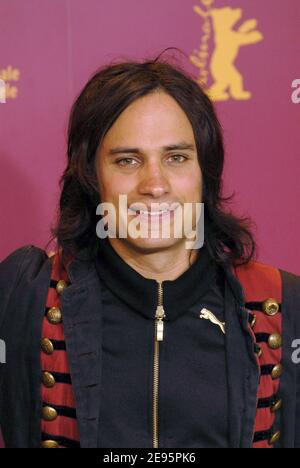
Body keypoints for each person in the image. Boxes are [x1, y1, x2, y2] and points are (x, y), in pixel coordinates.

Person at [0, 55, 299, 449]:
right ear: (92, 176)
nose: (155, 184)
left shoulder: (283, 301)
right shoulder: (24, 294)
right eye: (128, 160)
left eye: (176, 158)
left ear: (204, 171)